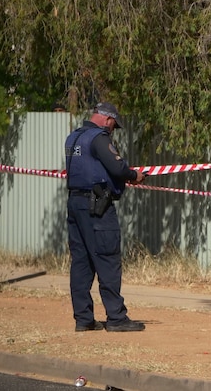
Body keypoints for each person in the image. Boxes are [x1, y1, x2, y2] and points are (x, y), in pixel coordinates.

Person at [64, 102, 147, 332]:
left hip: (75, 204)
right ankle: (117, 318)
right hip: (97, 206)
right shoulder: (98, 138)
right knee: (108, 259)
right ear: (107, 119)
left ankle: (83, 319)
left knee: (81, 262)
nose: (112, 129)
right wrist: (134, 175)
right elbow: (117, 168)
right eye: (113, 125)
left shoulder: (72, 138)